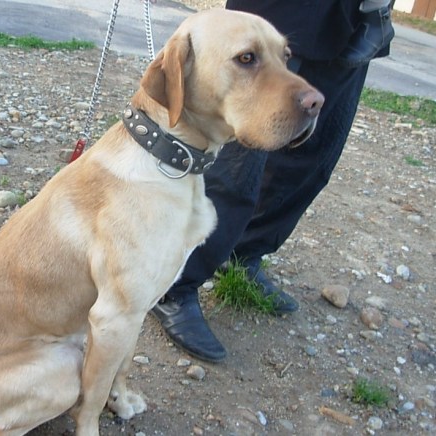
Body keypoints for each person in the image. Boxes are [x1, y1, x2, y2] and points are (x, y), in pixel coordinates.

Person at [151, 0, 395, 363]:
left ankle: (244, 253)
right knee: (237, 167)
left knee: (314, 158)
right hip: (283, 9)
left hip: (356, 20)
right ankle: (175, 285)